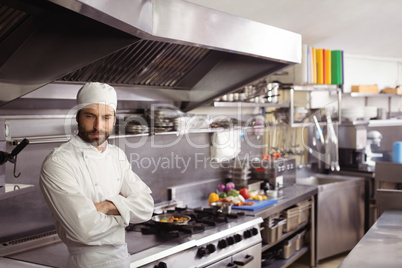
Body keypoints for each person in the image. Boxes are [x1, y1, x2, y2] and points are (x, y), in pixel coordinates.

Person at [40, 82, 154, 268]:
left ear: (115, 120)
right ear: (78, 117)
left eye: (106, 117)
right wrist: (126, 214)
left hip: (123, 260)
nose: (98, 126)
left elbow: (146, 207)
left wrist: (108, 207)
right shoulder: (58, 162)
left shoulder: (117, 155)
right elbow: (84, 229)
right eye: (90, 116)